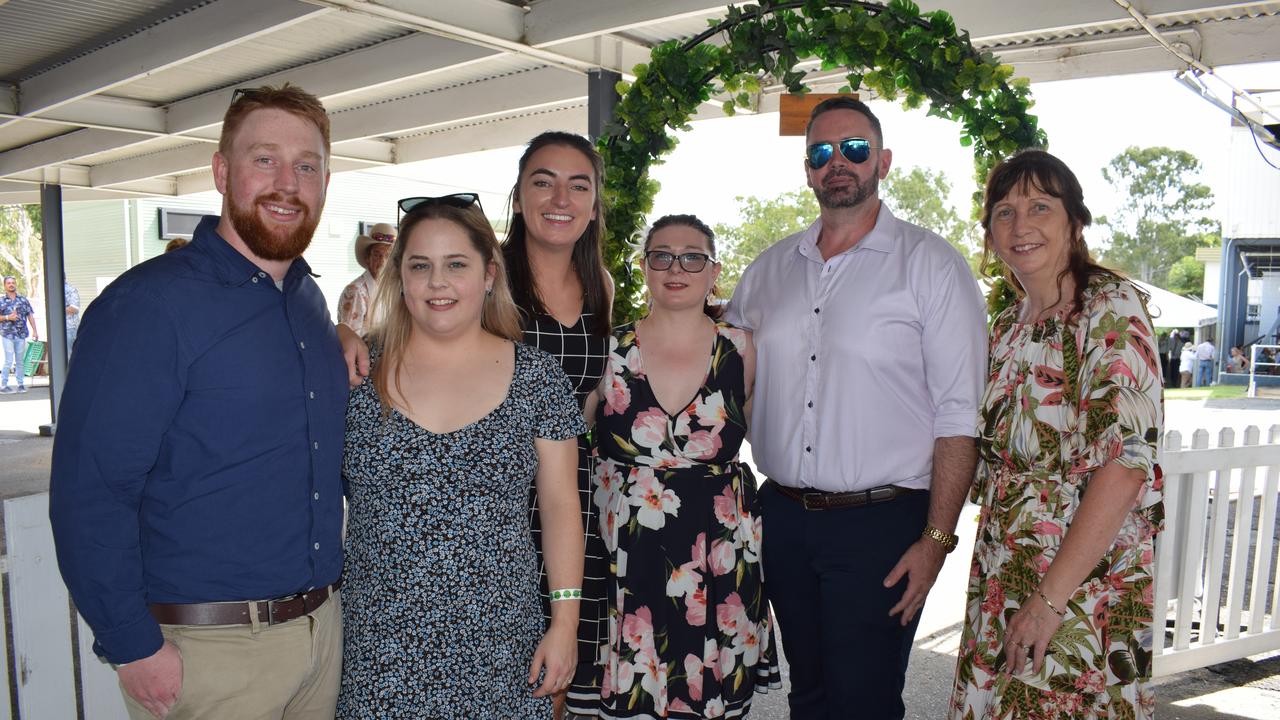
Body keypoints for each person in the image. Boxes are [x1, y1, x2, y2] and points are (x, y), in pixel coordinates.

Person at [49, 84, 347, 720]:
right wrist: (132, 647)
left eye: (306, 165)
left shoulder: (307, 301)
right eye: (263, 159)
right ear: (220, 171)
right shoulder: (148, 308)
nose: (286, 182)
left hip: (321, 637)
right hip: (209, 652)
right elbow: (90, 492)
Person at [723, 96, 987, 718]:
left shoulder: (932, 267)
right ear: (807, 169)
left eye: (854, 149)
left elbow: (959, 417)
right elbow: (722, 380)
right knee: (808, 695)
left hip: (883, 525)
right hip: (783, 518)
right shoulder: (766, 273)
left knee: (862, 701)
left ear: (884, 161)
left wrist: (935, 540)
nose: (837, 162)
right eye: (820, 152)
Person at [341, 130, 614, 718]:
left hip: (504, 647)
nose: (438, 283)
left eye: (456, 264)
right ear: (400, 277)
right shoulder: (356, 380)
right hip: (379, 654)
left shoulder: (536, 377)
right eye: (421, 266)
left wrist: (565, 622)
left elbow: (562, 506)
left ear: (489, 274)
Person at [948, 150, 1164, 719]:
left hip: (1078, 585)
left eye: (1039, 206)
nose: (1021, 226)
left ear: (1075, 220)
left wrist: (1047, 602)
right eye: (1004, 211)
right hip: (1004, 567)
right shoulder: (1005, 325)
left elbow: (1125, 464)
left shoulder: (1109, 308)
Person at [588, 215, 780, 717]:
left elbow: (769, 437)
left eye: (692, 256)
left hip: (716, 549)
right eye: (662, 255)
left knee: (707, 698)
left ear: (714, 270)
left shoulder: (742, 349)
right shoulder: (608, 347)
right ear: (644, 266)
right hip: (626, 549)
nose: (677, 267)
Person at [336, 223, 394, 334]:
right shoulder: (356, 291)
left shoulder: (392, 287)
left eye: (388, 255)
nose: (382, 261)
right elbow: (351, 338)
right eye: (377, 255)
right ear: (367, 258)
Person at [1, 275, 39, 393]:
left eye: (13, 282)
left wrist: (35, 330)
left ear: (15, 284)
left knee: (20, 360)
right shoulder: (1, 301)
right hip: (7, 334)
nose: (11, 284)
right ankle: (3, 385)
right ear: (5, 285)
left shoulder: (23, 300)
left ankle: (21, 384)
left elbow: (30, 315)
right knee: (8, 360)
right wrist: (8, 317)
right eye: (9, 283)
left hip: (21, 334)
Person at [64, 281, 80, 356]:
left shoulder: (71, 290)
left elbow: (74, 309)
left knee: (70, 356)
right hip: (59, 330)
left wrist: (57, 309)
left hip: (70, 328)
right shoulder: (54, 292)